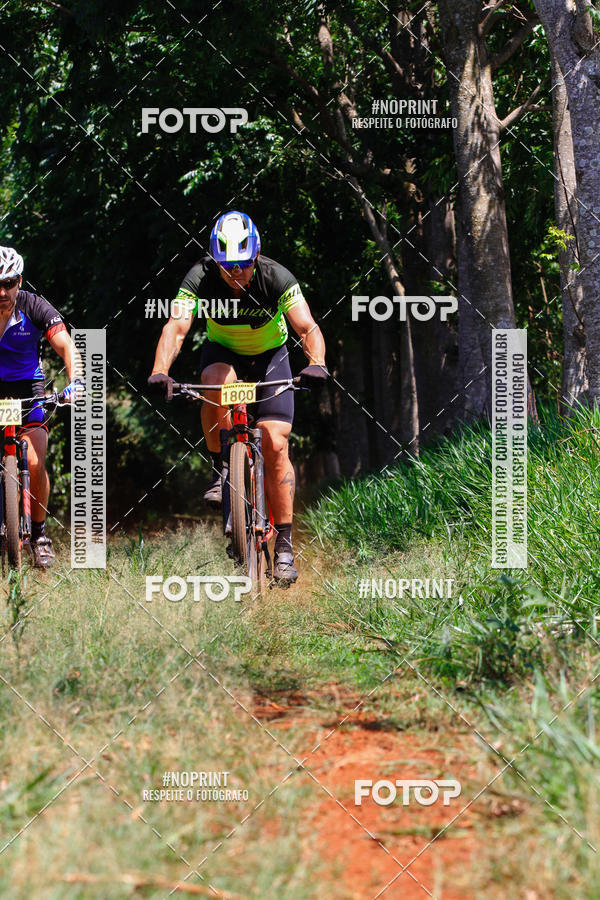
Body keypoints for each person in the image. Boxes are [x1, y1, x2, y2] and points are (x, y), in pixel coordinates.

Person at [148, 210, 328, 583]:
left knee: (276, 445)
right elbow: (177, 327)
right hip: (224, 353)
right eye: (227, 266)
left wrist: (317, 362)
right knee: (214, 383)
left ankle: (284, 546)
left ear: (256, 256)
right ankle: (222, 468)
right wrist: (160, 370)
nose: (236, 274)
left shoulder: (276, 277)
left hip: (270, 358)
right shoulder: (199, 277)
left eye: (243, 266)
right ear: (215, 259)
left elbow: (307, 326)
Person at [0, 246, 83, 567]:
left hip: (27, 389)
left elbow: (66, 346)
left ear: (20, 281)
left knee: (34, 461)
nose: (3, 291)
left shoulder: (34, 305)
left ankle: (39, 535)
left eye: (10, 282)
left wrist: (74, 382)